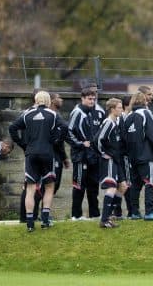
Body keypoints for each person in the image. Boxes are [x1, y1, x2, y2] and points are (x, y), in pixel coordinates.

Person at [9, 91, 61, 232]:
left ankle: (30, 223)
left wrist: (23, 144)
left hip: (30, 153)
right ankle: (45, 220)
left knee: (30, 188)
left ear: (36, 100)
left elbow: (12, 128)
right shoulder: (53, 114)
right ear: (48, 101)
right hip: (46, 153)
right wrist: (53, 140)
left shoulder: (27, 114)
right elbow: (65, 128)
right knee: (49, 186)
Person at [123, 91, 153, 221]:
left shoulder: (129, 116)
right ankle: (149, 212)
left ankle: (134, 212)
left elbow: (124, 138)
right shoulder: (146, 113)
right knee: (150, 182)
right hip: (146, 156)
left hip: (132, 158)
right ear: (144, 101)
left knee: (135, 185)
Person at [68, 87, 101, 220]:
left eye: (94, 99)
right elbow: (69, 132)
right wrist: (81, 144)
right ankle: (76, 215)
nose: (92, 101)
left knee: (93, 186)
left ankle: (94, 214)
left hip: (93, 156)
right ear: (82, 99)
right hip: (81, 156)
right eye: (89, 99)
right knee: (79, 185)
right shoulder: (77, 112)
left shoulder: (93, 112)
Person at [96, 98, 128, 228]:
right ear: (112, 109)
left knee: (123, 186)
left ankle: (109, 215)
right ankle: (104, 220)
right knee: (111, 187)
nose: (121, 110)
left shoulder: (116, 123)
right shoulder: (108, 122)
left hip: (117, 159)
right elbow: (98, 139)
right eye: (119, 108)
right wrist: (103, 154)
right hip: (109, 160)